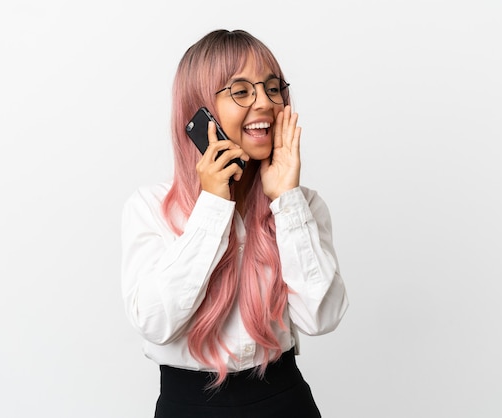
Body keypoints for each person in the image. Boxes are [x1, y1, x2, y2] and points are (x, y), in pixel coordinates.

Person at [121, 29, 349, 418]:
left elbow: (322, 318)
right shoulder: (149, 207)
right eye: (241, 91)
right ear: (198, 112)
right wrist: (212, 207)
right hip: (189, 406)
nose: (265, 103)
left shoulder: (302, 205)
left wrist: (286, 201)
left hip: (283, 400)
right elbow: (155, 323)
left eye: (274, 88)